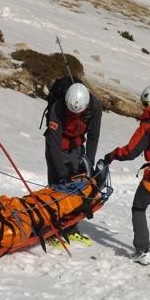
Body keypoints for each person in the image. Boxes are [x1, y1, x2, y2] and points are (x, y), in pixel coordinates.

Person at [102, 84, 150, 271]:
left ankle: (143, 251)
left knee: (138, 208)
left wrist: (112, 155)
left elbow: (131, 151)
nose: (144, 107)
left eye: (146, 103)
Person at [45, 82, 102, 246]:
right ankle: (51, 230)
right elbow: (54, 144)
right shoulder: (58, 107)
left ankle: (70, 227)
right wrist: (61, 174)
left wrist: (89, 163)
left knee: (77, 188)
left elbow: (93, 136)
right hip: (57, 145)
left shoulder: (94, 107)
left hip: (76, 146)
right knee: (57, 188)